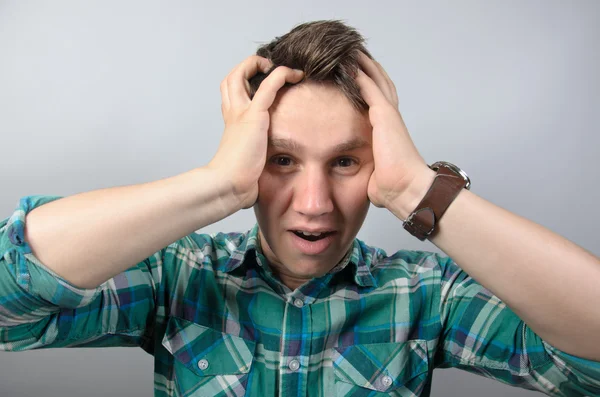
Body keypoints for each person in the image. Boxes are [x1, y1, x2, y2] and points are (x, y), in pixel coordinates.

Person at [0, 19, 599, 397]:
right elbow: (9, 303)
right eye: (282, 160)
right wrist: (216, 186)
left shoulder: (424, 296)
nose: (314, 206)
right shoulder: (177, 275)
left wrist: (418, 189)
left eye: (345, 162)